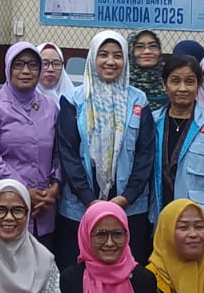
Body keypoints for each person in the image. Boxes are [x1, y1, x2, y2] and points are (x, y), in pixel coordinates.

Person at [54, 31, 156, 265]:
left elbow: (145, 155)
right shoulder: (73, 100)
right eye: (103, 55)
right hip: (80, 208)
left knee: (126, 272)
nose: (111, 61)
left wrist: (126, 198)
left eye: (117, 56)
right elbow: (68, 154)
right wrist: (90, 200)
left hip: (130, 207)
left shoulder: (139, 101)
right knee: (79, 272)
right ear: (92, 58)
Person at [0, 43, 61, 248]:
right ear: (8, 68)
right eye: (19, 64)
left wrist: (55, 187)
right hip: (4, 204)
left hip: (42, 207)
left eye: (32, 65)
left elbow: (58, 153)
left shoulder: (50, 106)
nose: (26, 70)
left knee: (39, 262)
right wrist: (22, 190)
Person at [152, 55, 204, 253]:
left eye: (189, 81)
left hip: (200, 225)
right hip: (160, 222)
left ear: (199, 85)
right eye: (175, 81)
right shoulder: (152, 123)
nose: (182, 88)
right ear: (164, 84)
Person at [128, 30, 167, 113]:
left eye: (153, 46)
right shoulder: (124, 82)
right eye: (139, 47)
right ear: (131, 51)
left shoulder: (169, 79)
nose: (147, 51)